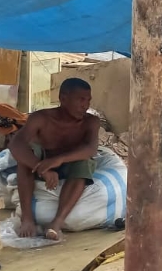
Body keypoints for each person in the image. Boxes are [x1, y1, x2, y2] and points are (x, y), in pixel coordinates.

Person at [9, 78, 100, 239]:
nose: (85, 105)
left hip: (68, 164)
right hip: (42, 161)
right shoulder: (41, 118)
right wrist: (42, 168)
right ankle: (27, 218)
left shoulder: (90, 122)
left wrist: (59, 160)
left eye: (88, 100)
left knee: (85, 162)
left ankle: (57, 223)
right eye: (81, 100)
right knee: (24, 159)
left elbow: (90, 149)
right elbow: (16, 145)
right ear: (63, 98)